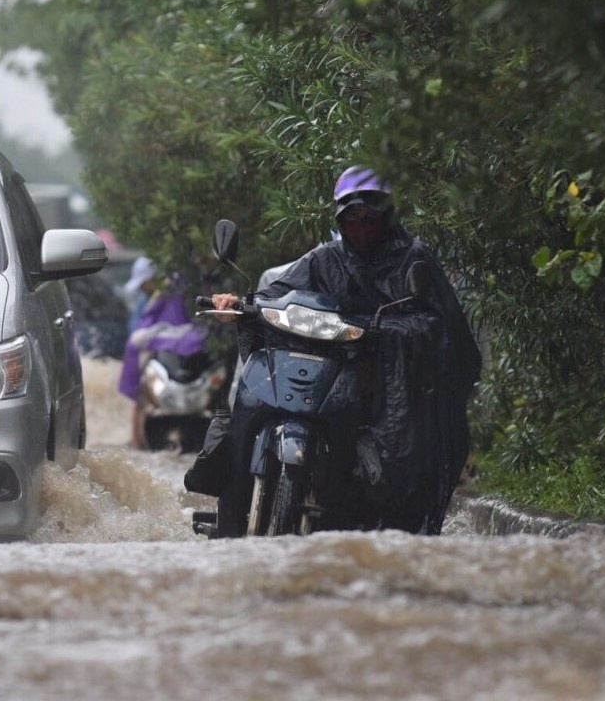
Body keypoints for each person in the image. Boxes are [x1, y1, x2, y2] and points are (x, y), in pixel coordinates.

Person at [190, 165, 482, 533]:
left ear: (387, 217)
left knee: (395, 453)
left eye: (370, 219)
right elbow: (274, 295)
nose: (361, 228)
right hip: (325, 373)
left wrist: (384, 331)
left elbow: (439, 327)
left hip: (383, 387)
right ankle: (231, 518)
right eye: (353, 219)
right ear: (341, 220)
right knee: (240, 414)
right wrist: (237, 304)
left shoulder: (413, 258)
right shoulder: (326, 259)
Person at [118, 258, 207, 448]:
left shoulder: (173, 289)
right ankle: (137, 441)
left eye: (144, 283)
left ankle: (137, 441)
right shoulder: (154, 296)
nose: (143, 288)